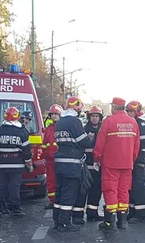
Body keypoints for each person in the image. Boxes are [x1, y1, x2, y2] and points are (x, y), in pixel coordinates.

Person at [93, 97, 140, 231]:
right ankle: (122, 221)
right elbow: (137, 146)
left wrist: (96, 158)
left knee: (110, 190)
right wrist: (131, 159)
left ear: (114, 106)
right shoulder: (133, 122)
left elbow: (100, 143)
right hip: (127, 163)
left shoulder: (109, 121)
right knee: (123, 191)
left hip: (110, 163)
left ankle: (110, 222)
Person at [52, 96, 91, 232]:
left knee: (60, 192)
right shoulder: (75, 121)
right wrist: (89, 138)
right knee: (69, 193)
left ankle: (57, 220)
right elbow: (83, 141)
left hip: (59, 163)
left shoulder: (60, 122)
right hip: (71, 163)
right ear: (77, 109)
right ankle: (64, 222)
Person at [0, 107, 33, 218]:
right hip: (16, 164)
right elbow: (26, 152)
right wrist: (29, 164)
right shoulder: (21, 133)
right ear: (17, 117)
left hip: (1, 163)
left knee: (1, 185)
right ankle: (14, 208)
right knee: (14, 186)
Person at [71, 105, 104, 223]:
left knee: (96, 191)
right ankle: (77, 216)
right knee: (82, 191)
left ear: (100, 118)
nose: (94, 118)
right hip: (85, 166)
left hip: (98, 166)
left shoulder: (103, 129)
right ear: (89, 117)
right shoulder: (83, 129)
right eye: (92, 116)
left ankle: (92, 213)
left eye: (96, 116)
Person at [125, 101, 145, 224]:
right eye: (127, 111)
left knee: (138, 187)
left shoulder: (142, 124)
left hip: (139, 161)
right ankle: (131, 212)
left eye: (130, 111)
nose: (128, 113)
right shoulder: (133, 122)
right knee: (131, 187)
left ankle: (141, 214)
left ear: (136, 111)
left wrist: (141, 160)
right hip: (132, 160)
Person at [42, 104, 63, 209]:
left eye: (56, 114)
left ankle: (60, 201)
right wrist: (43, 155)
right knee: (51, 181)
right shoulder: (48, 129)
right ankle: (53, 201)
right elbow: (44, 143)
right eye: (52, 114)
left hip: (60, 159)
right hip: (49, 160)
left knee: (61, 181)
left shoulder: (63, 127)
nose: (54, 116)